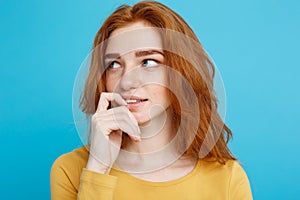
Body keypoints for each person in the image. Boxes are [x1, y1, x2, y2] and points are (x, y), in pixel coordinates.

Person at [50, 1, 252, 199]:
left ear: (182, 72)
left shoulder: (227, 178)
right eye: (113, 64)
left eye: (148, 62)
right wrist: (98, 168)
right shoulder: (71, 170)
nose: (127, 81)